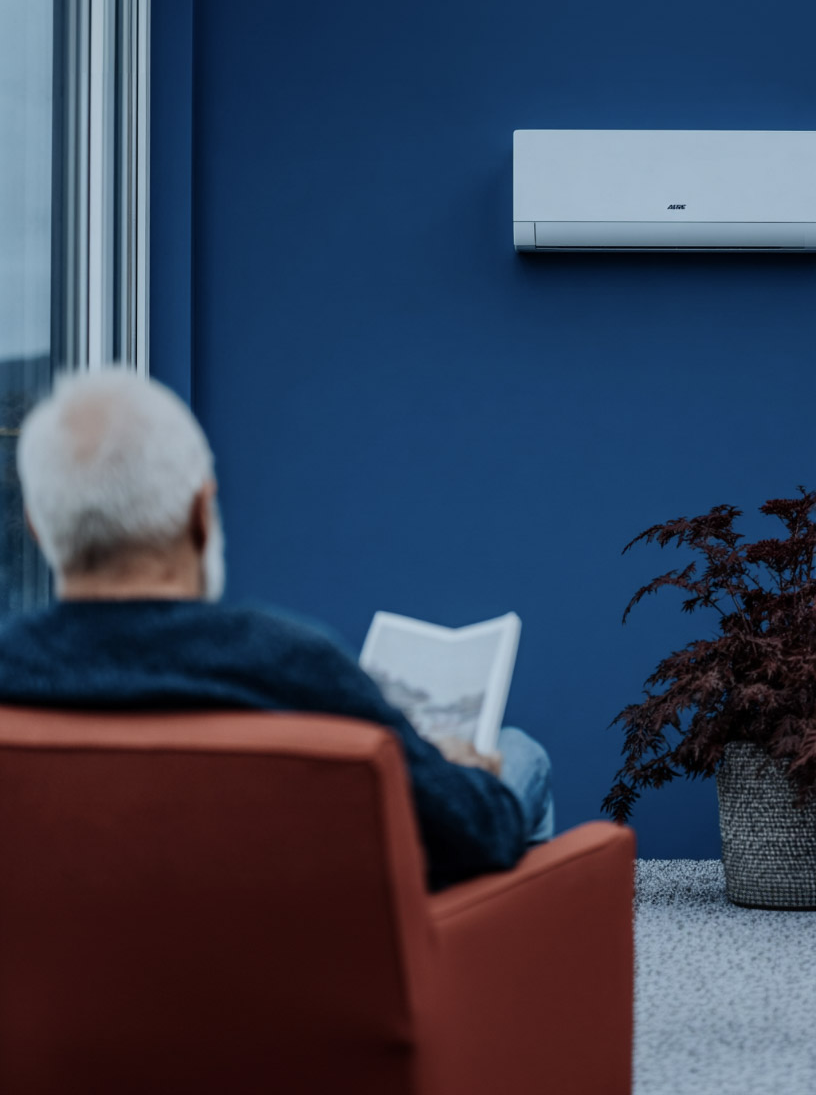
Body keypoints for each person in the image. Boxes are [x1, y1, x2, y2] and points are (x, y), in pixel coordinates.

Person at [0, 368, 554, 890]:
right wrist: (461, 774)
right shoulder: (285, 664)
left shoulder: (13, 666)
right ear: (201, 512)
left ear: (37, 525)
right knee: (518, 753)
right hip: (300, 980)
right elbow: (472, 832)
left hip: (60, 982)